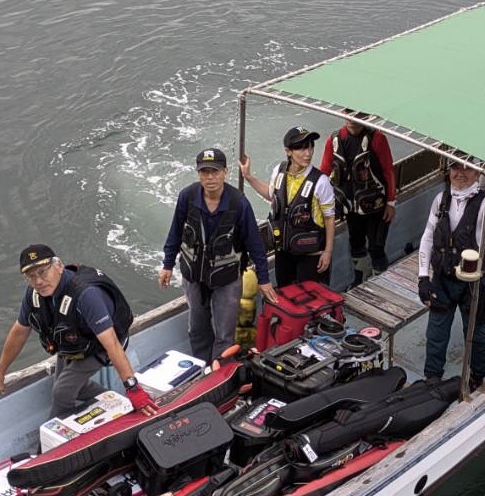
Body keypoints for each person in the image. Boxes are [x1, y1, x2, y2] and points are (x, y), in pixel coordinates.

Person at [0, 245, 157, 418]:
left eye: (43, 272)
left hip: (100, 343)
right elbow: (19, 331)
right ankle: (118, 404)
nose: (38, 281)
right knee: (73, 388)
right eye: (31, 276)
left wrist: (133, 389)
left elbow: (112, 344)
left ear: (59, 266)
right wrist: (0, 372)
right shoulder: (34, 294)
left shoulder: (86, 295)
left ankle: (57, 433)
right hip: (72, 342)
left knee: (61, 392)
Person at [159, 147, 278, 361]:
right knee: (197, 328)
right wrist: (167, 265)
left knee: (225, 334)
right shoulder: (187, 197)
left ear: (225, 172)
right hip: (194, 276)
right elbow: (175, 232)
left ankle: (221, 371)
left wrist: (264, 279)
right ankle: (203, 367)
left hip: (227, 278)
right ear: (198, 174)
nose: (210, 177)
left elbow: (255, 245)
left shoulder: (239, 203)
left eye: (215, 171)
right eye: (204, 172)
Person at [416, 160, 485, 390]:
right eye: (456, 167)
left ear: (478, 173)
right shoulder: (441, 200)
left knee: (475, 332)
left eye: (467, 168)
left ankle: (478, 375)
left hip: (472, 283)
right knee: (436, 332)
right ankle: (432, 378)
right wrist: (423, 277)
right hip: (442, 280)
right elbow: (428, 237)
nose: (461, 173)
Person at [240, 126, 337, 286]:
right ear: (288, 151)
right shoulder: (279, 171)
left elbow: (329, 218)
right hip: (283, 252)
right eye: (302, 148)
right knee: (285, 293)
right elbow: (271, 195)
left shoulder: (321, 181)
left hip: (311, 254)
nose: (308, 153)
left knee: (310, 296)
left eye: (311, 147)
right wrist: (248, 176)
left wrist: (328, 252)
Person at [319, 115, 397, 287]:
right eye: (348, 113)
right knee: (356, 245)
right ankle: (360, 279)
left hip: (377, 207)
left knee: (376, 247)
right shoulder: (334, 140)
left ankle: (380, 283)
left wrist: (391, 203)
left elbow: (388, 170)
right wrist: (315, 199)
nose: (352, 118)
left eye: (357, 114)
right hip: (351, 208)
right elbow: (324, 172)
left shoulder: (377, 139)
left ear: (365, 116)